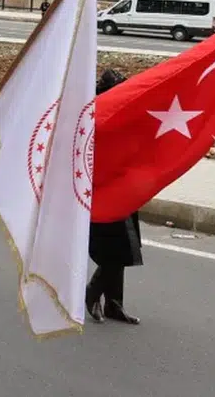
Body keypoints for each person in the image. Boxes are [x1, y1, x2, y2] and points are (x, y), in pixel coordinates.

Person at [86, 68, 142, 326]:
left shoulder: (123, 111)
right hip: (102, 189)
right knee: (115, 248)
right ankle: (91, 293)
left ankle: (114, 303)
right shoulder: (95, 114)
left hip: (123, 188)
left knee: (125, 246)